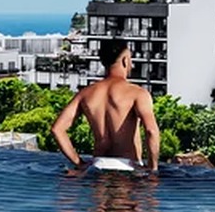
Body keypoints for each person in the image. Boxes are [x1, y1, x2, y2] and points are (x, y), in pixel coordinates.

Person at [52, 38, 162, 172]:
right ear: (125, 60)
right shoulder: (137, 93)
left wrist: (79, 163)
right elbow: (152, 131)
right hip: (128, 167)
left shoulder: (86, 93)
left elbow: (57, 129)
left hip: (98, 165)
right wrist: (153, 168)